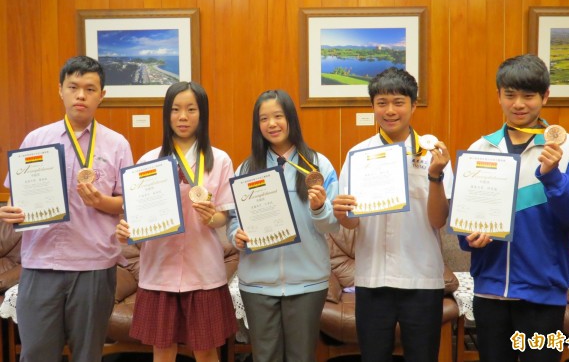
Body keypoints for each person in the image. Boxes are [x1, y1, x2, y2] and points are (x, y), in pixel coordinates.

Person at [459, 54, 569, 362]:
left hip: (543, 294)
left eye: (528, 96)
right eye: (510, 95)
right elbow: (463, 223)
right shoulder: (480, 150)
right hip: (490, 292)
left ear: (545, 96)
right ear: (498, 96)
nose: (518, 104)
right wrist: (469, 236)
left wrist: (554, 178)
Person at [0, 56, 134, 362]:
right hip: (41, 264)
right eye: (73, 87)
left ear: (103, 94)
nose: (81, 95)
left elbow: (126, 200)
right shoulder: (37, 139)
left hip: (94, 266)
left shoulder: (117, 144)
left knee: (88, 355)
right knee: (36, 354)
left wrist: (101, 202)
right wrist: (9, 209)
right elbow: (16, 197)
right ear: (60, 90)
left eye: (90, 88)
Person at [332, 67, 454, 362]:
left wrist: (436, 176)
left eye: (398, 102)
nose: (390, 110)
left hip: (421, 278)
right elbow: (351, 222)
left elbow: (439, 221)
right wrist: (340, 212)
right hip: (373, 279)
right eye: (382, 102)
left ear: (413, 105)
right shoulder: (358, 155)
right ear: (372, 106)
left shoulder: (433, 153)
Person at [116, 81, 237, 362]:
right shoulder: (149, 160)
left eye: (191, 109)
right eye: (176, 110)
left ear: (202, 114)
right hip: (160, 270)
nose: (183, 117)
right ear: (166, 115)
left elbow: (225, 216)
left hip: (203, 271)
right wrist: (128, 231)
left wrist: (212, 217)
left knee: (206, 350)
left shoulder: (219, 160)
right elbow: (137, 219)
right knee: (163, 350)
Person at [227, 89, 339, 362]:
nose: (272, 124)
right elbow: (233, 219)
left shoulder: (318, 165)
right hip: (258, 285)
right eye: (264, 118)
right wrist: (236, 236)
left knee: (302, 356)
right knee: (265, 357)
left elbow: (333, 226)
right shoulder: (246, 169)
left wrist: (319, 208)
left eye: (278, 116)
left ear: (290, 118)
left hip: (307, 283)